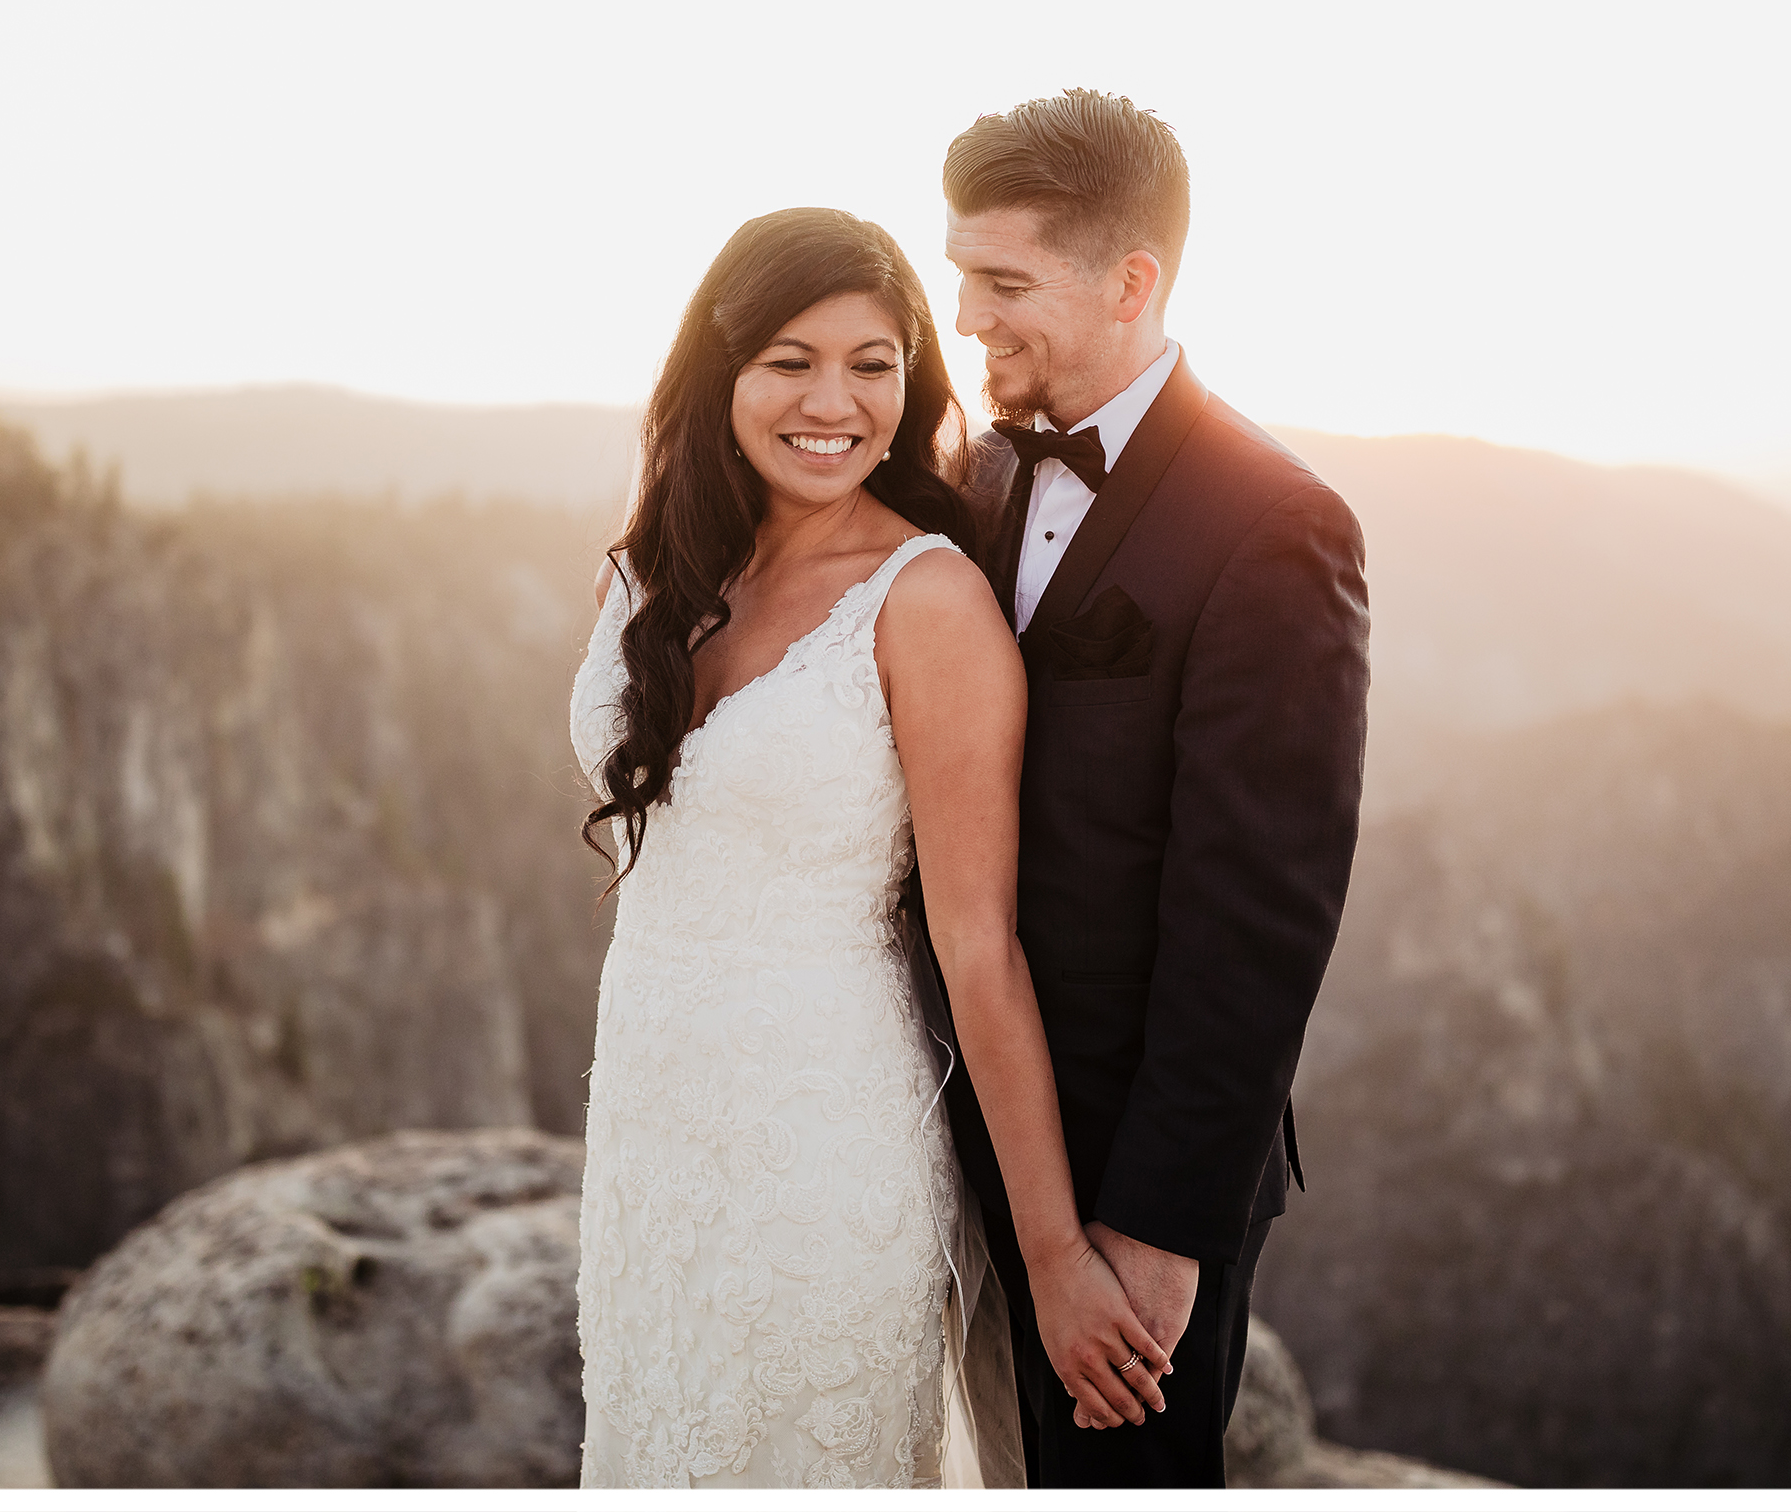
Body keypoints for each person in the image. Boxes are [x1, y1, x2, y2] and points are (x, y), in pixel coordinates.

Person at [568, 206, 1166, 1489]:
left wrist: (1055, 1256)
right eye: (789, 360)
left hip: (822, 1136)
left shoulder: (928, 599)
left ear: (910, 377)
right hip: (648, 1122)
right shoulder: (654, 568)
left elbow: (978, 944)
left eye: (872, 362)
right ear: (717, 371)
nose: (832, 401)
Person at [927, 89, 1372, 1488]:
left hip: (1134, 1167)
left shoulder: (1277, 527)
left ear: (1133, 281)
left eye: (1005, 284)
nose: (971, 320)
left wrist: (1160, 1228)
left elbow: (1260, 914)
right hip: (953, 1130)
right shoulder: (980, 470)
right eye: (960, 279)